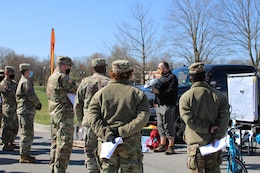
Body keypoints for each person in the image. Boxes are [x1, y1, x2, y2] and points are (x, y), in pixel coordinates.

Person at [87, 59, 150, 172]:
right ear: (130, 73)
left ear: (112, 72)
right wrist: (121, 131)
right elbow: (142, 118)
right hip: (130, 145)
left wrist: (107, 133)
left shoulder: (100, 94)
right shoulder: (138, 94)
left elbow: (92, 118)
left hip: (107, 145)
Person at [179, 62, 230, 173]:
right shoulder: (218, 95)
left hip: (195, 144)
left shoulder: (185, 97)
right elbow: (225, 117)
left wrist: (207, 128)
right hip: (213, 142)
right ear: (205, 76)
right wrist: (217, 134)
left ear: (191, 78)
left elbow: (190, 121)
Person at [74, 58, 110, 173]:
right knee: (105, 154)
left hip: (89, 122)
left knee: (90, 153)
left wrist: (80, 122)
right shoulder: (109, 82)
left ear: (93, 68)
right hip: (105, 123)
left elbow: (77, 104)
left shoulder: (85, 82)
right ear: (104, 68)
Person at [47, 56, 77, 173]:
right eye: (69, 66)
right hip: (64, 115)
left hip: (54, 114)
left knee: (55, 143)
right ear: (65, 65)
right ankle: (60, 170)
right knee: (64, 145)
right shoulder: (62, 78)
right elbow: (74, 90)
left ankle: (54, 168)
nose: (69, 68)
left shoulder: (51, 77)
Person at [16, 63, 42, 163]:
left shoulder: (23, 81)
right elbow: (31, 96)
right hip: (26, 111)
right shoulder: (26, 82)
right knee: (26, 133)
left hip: (25, 110)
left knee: (27, 133)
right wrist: (38, 104)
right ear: (27, 71)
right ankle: (24, 155)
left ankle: (26, 153)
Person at [152, 61, 178, 155]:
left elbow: (171, 91)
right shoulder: (161, 77)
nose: (158, 69)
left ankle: (171, 146)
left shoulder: (172, 77)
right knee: (160, 125)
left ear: (165, 68)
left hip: (168, 104)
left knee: (168, 124)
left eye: (160, 68)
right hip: (159, 104)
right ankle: (162, 144)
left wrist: (160, 93)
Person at [0, 66, 19, 151]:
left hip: (14, 107)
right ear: (6, 73)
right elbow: (10, 93)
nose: (13, 74)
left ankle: (11, 141)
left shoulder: (14, 83)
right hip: (7, 107)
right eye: (11, 73)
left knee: (15, 126)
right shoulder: (3, 83)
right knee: (7, 126)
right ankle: (5, 143)